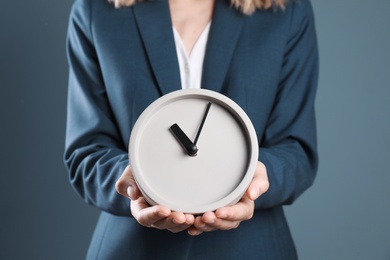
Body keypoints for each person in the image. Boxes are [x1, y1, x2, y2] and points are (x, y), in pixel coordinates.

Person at [64, 0, 319, 258]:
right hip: (134, 249)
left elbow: (296, 151)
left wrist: (254, 178)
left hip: (250, 248)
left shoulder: (286, 11)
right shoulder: (96, 10)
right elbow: (87, 152)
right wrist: (135, 184)